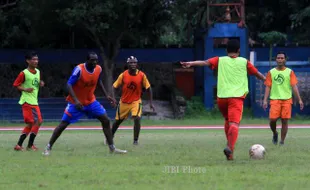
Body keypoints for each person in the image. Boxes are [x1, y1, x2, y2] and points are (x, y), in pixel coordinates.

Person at [180, 39, 266, 160]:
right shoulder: (244, 62)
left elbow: (205, 63)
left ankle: (230, 154)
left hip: (221, 99)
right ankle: (229, 147)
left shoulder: (220, 60)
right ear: (239, 50)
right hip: (235, 98)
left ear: (226, 50)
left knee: (227, 121)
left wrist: (191, 63)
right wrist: (264, 79)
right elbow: (256, 73)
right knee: (234, 124)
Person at [43, 52, 127, 155]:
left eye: (96, 60)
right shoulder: (79, 69)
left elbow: (98, 81)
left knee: (105, 119)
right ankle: (48, 147)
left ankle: (112, 148)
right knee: (63, 124)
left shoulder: (98, 69)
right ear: (87, 60)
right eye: (92, 60)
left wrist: (106, 95)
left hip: (91, 102)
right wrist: (76, 100)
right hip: (75, 103)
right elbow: (69, 85)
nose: (94, 62)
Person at [111, 56, 155, 145]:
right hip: (124, 101)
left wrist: (151, 103)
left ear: (137, 64)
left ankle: (135, 141)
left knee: (137, 118)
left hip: (136, 101)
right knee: (117, 121)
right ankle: (109, 137)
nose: (133, 64)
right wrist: (113, 98)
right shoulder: (123, 75)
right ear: (127, 64)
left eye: (134, 62)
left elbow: (149, 88)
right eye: (131, 63)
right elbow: (114, 86)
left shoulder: (141, 75)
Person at [263, 51, 303, 145]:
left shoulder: (290, 72)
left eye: (282, 58)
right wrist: (265, 100)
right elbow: (268, 86)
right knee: (272, 120)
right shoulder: (271, 72)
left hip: (287, 100)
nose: (280, 60)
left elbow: (294, 86)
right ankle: (275, 133)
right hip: (274, 99)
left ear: (285, 59)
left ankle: (282, 141)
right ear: (276, 59)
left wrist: (299, 99)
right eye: (278, 58)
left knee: (284, 121)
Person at [13, 51, 45, 151]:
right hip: (27, 101)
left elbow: (35, 82)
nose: (36, 61)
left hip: (34, 101)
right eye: (33, 59)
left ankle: (25, 145)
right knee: (33, 122)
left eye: (37, 59)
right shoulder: (24, 73)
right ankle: (25, 145)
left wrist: (40, 83)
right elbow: (16, 85)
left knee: (37, 122)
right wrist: (25, 89)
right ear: (28, 61)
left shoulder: (38, 72)